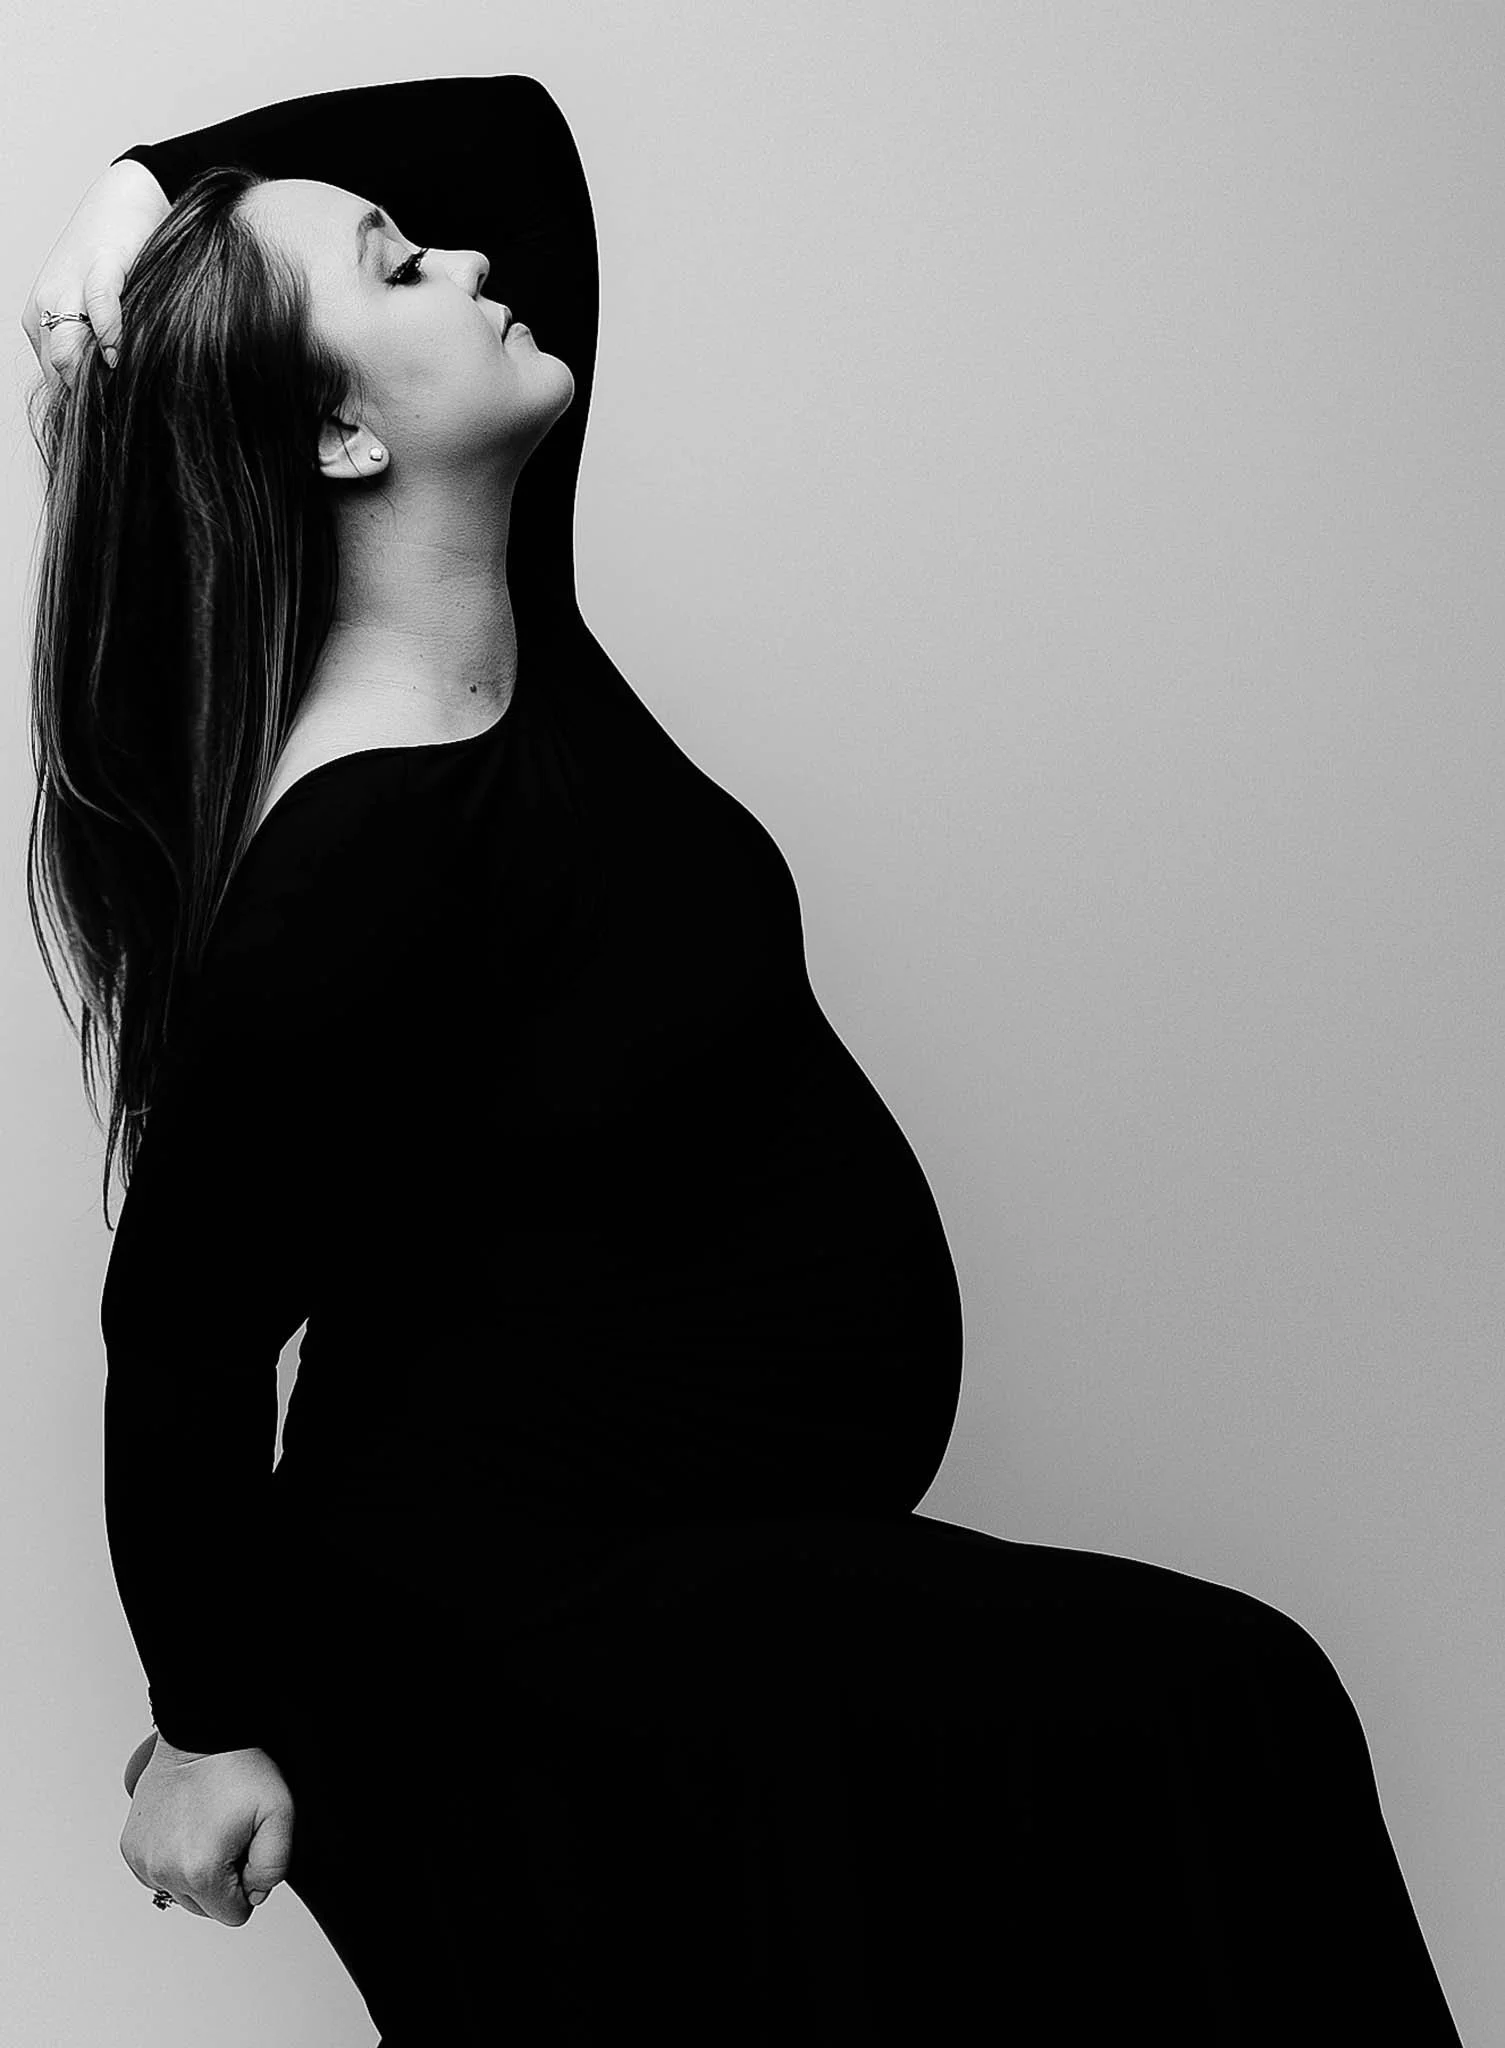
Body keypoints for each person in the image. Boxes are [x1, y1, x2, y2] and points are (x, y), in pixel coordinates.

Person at [21, 75, 1462, 2048]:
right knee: (1231, 1712)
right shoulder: (346, 860)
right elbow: (179, 1335)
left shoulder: (514, 641)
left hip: (691, 1578)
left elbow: (507, 135)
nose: (470, 255)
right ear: (344, 432)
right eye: (397, 266)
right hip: (515, 1639)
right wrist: (202, 1725)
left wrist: (140, 192)